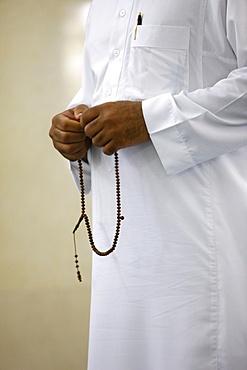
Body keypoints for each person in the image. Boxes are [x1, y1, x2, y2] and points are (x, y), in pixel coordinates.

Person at [49, 1, 247, 369]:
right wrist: (74, 129)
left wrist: (149, 120)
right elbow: (98, 91)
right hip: (120, 255)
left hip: (197, 251)